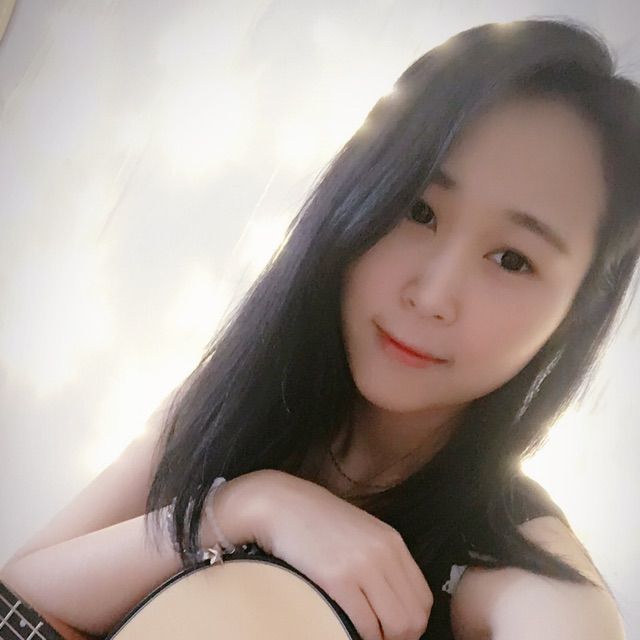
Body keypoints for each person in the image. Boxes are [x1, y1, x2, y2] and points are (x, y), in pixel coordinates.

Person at [1, 17, 638, 640]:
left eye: (513, 260)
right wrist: (245, 507)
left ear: (576, 311)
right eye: (418, 209)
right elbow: (23, 594)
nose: (432, 296)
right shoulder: (241, 398)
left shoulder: (520, 573)